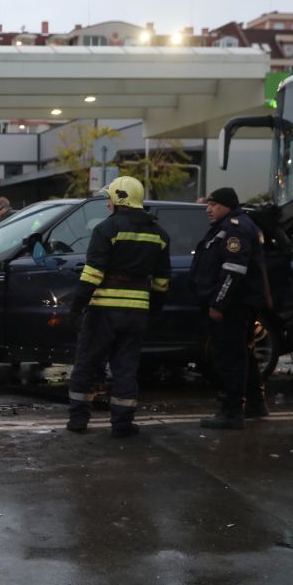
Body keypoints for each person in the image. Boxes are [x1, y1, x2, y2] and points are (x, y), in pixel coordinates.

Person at [67, 176, 171, 437]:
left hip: (103, 310)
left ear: (119, 200)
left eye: (109, 199)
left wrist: (77, 306)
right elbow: (161, 281)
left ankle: (79, 419)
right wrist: (154, 311)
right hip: (136, 312)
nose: (107, 204)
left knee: (87, 363)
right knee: (126, 367)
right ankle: (122, 423)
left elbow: (92, 274)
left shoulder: (106, 230)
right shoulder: (159, 234)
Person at [190, 187, 270, 429]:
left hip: (233, 305)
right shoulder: (230, 226)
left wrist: (218, 303)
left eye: (213, 204)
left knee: (229, 357)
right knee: (243, 354)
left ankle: (232, 411)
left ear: (226, 205)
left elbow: (233, 272)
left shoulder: (235, 228)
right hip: (238, 303)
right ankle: (255, 403)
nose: (208, 209)